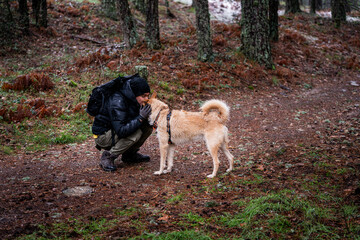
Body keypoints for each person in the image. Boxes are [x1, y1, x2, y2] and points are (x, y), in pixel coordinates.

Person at [91, 76, 152, 172]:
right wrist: (140, 118)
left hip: (115, 130)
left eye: (148, 96)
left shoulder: (132, 97)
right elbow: (121, 131)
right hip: (102, 135)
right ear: (135, 94)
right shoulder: (117, 101)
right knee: (136, 134)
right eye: (143, 96)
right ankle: (108, 157)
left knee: (148, 126)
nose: (146, 99)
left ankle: (129, 155)